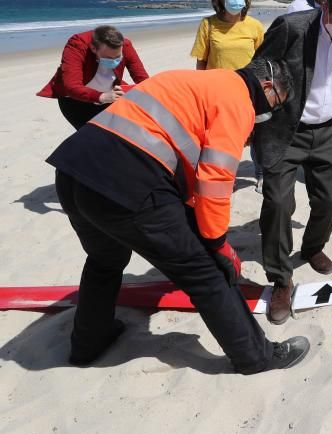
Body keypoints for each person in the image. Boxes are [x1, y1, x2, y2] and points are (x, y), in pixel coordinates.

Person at [47, 57, 311, 373]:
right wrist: (217, 244)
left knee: (105, 259)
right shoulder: (238, 100)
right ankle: (256, 357)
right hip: (127, 182)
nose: (267, 115)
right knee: (207, 272)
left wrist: (194, 220)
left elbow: (181, 166)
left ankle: (88, 343)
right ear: (266, 86)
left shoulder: (189, 80)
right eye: (275, 105)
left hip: (73, 171)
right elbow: (216, 179)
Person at [254, 0, 332, 324]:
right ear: (326, 7)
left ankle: (313, 247)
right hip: (287, 129)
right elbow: (258, 68)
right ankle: (281, 279)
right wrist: (258, 113)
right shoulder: (291, 28)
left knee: (331, 201)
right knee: (277, 202)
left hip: (330, 131)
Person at [190, 0, 266, 189]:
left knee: (258, 135)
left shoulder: (255, 26)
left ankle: (261, 174)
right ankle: (225, 176)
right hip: (218, 91)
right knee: (223, 138)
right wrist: (200, 93)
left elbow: (263, 59)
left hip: (251, 89)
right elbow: (202, 62)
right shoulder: (208, 25)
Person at [38, 26, 149, 130]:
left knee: (119, 133)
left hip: (110, 96)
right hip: (75, 101)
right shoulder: (77, 45)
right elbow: (71, 86)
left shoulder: (125, 45)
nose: (114, 61)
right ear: (93, 48)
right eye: (108, 58)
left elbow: (142, 78)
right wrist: (102, 96)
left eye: (118, 57)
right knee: (92, 138)